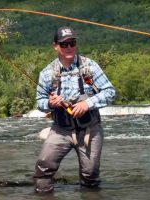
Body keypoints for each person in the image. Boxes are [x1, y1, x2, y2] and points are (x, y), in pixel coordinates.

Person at [33, 26, 116, 193]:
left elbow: (110, 92)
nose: (69, 47)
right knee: (43, 169)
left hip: (89, 130)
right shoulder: (47, 73)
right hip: (60, 130)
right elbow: (40, 103)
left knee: (90, 174)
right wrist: (51, 103)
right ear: (55, 46)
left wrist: (87, 104)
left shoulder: (90, 66)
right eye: (64, 44)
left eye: (72, 43)